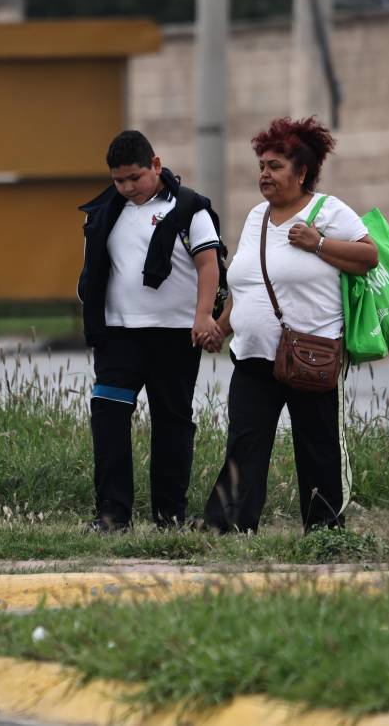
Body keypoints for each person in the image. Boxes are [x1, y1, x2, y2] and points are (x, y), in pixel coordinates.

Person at [199, 117, 377, 534]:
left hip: (311, 354)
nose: (265, 174)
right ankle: (229, 527)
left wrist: (317, 243)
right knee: (245, 444)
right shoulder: (256, 218)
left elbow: (369, 257)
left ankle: (324, 531)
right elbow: (246, 283)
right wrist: (222, 327)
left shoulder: (329, 211)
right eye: (262, 165)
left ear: (301, 173)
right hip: (253, 355)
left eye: (275, 166)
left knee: (316, 447)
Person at [77, 130, 224, 531]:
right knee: (108, 419)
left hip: (174, 336)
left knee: (172, 424)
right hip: (119, 335)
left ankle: (169, 515)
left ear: (156, 165)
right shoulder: (105, 210)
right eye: (118, 180)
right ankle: (112, 514)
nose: (126, 188)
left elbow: (208, 264)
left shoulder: (190, 208)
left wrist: (203, 316)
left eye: (134, 178)